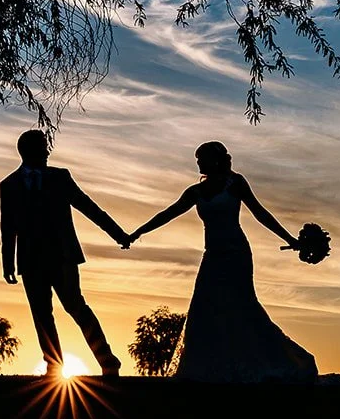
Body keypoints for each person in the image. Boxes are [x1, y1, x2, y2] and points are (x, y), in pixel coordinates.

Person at [129, 141, 317, 383]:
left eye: (201, 158)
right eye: (197, 159)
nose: (198, 163)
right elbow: (168, 213)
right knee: (204, 308)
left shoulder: (235, 183)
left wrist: (290, 238)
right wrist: (137, 233)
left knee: (243, 306)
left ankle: (272, 361)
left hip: (236, 253)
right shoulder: (195, 192)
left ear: (215, 160)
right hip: (212, 255)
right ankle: (210, 367)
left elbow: (260, 213)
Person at [1, 129, 132, 377]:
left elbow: (88, 207)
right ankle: (53, 365)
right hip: (30, 260)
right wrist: (8, 263)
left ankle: (107, 360)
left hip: (62, 256)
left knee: (76, 306)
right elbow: (8, 226)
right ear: (27, 151)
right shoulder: (9, 185)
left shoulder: (60, 177)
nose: (47, 151)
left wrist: (118, 234)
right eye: (42, 147)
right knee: (41, 315)